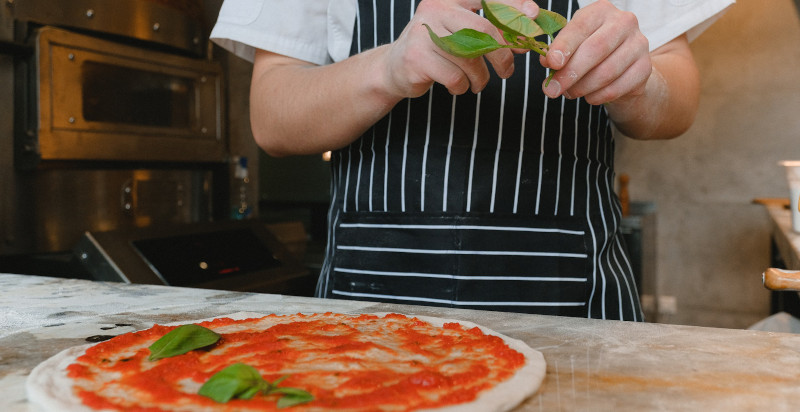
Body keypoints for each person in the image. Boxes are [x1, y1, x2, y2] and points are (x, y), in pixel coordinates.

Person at [211, 0, 733, 321]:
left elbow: (677, 100)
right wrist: (388, 69)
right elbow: (273, 119)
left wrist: (635, 82)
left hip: (576, 302)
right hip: (367, 310)